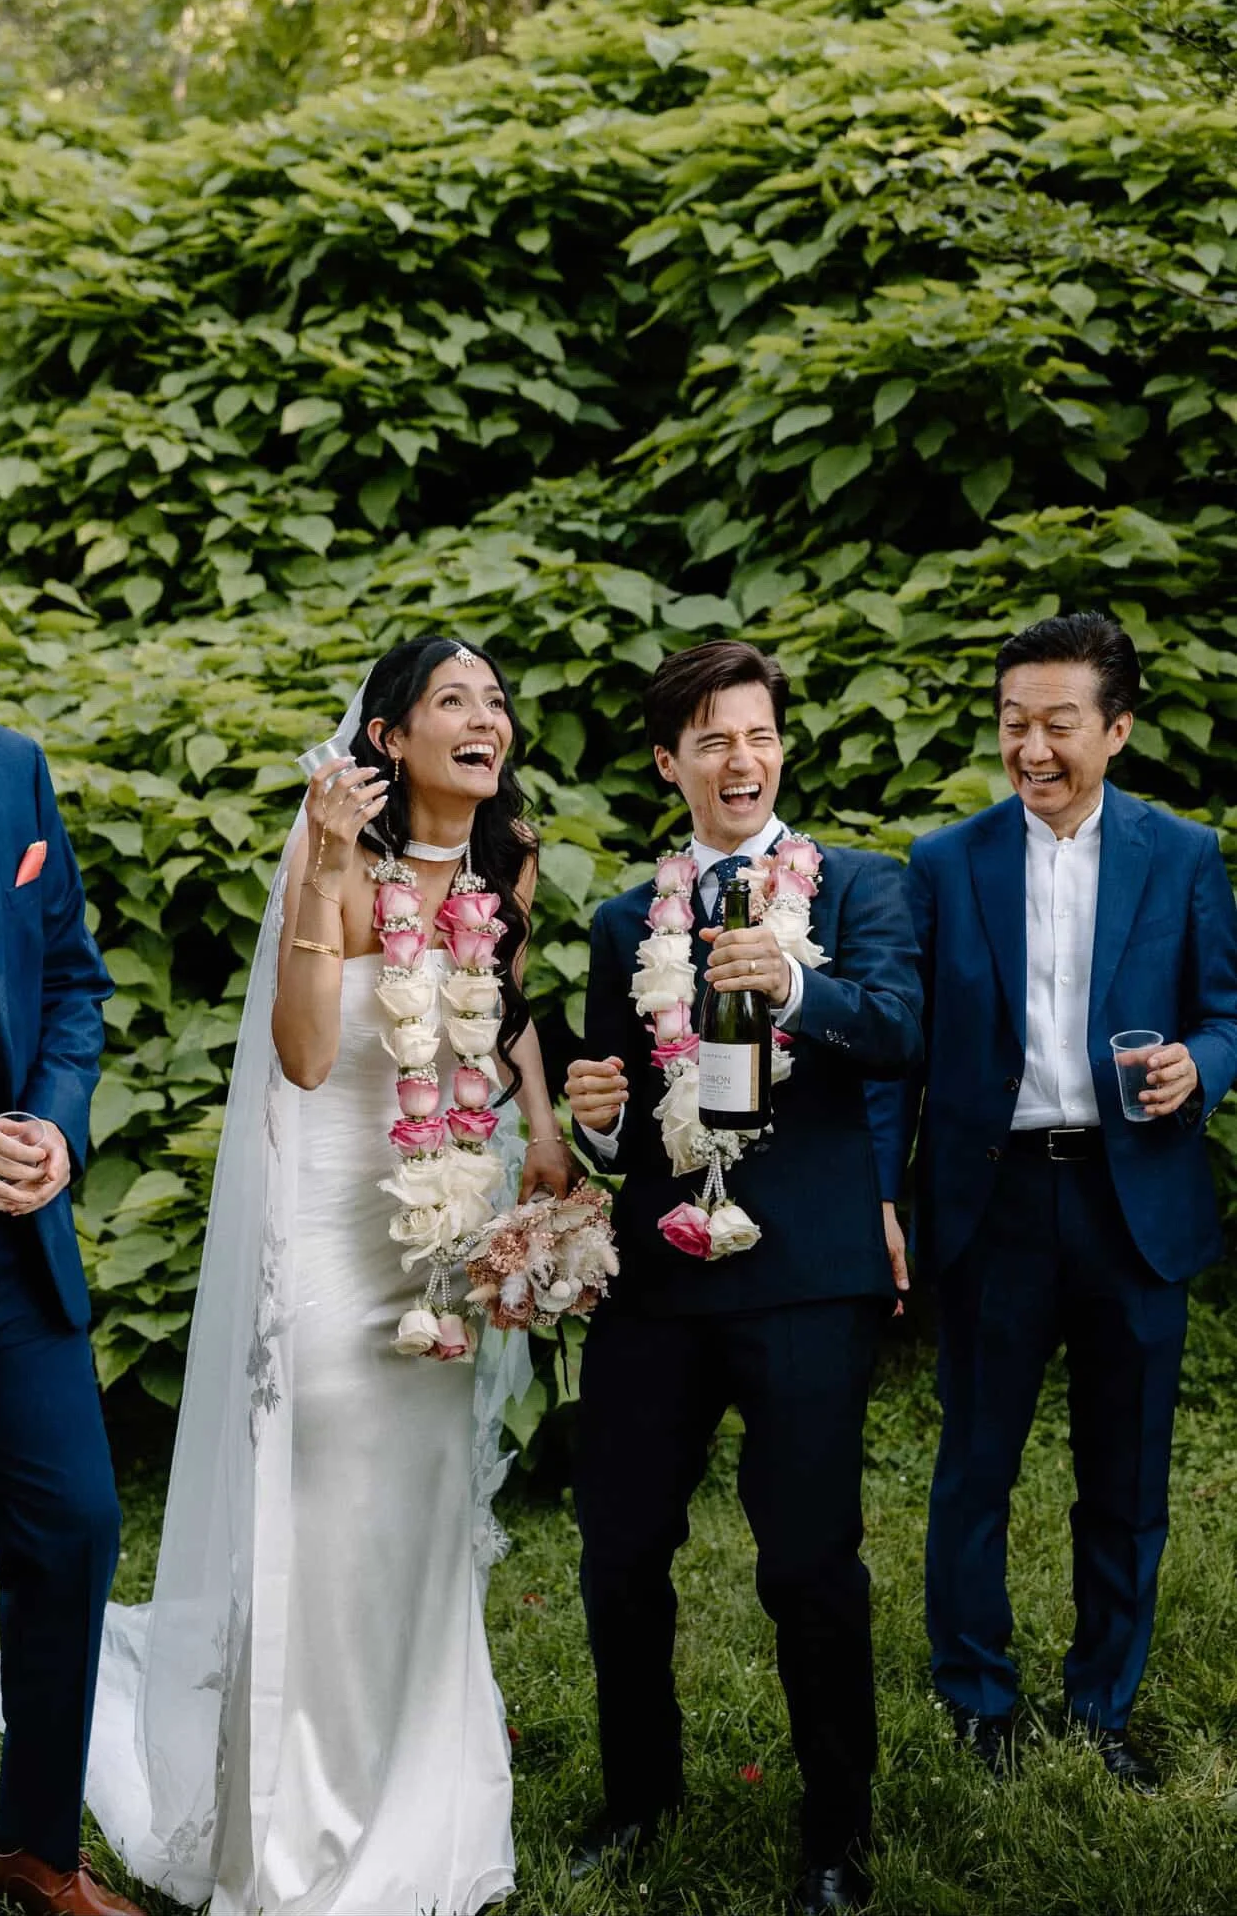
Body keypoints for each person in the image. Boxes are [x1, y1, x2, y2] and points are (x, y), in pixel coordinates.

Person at [0, 635, 575, 1915]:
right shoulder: (332, 856)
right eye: (451, 701)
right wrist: (326, 868)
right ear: (389, 739)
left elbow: (497, 1013)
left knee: (421, 1518)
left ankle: (425, 1799)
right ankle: (302, 1834)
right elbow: (300, 1056)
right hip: (342, 1229)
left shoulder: (508, 866)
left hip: (443, 1235)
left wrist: (542, 1147)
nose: (485, 718)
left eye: (495, 701)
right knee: (336, 1508)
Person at [566, 640, 922, 1915]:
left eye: (759, 734)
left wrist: (801, 983)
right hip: (659, 1283)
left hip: (806, 1276)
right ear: (671, 763)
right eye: (712, 738)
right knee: (620, 1549)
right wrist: (596, 1114)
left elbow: (902, 1032)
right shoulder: (624, 920)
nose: (741, 758)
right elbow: (609, 1112)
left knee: (809, 1562)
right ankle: (638, 1799)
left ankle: (836, 1835)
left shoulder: (863, 887)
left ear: (782, 749)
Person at [868, 612, 1237, 1788]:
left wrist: (1202, 1066)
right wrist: (887, 1194)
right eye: (1013, 721)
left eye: (1058, 724)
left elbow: (1227, 1012)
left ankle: (1103, 1703)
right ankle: (977, 1695)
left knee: (1126, 1479)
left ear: (1116, 729)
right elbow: (901, 1056)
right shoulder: (945, 862)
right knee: (975, 1464)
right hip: (997, 1202)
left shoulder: (1181, 854)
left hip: (1138, 1202)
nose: (1030, 747)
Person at [0, 546, 141, 1916]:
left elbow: (71, 977)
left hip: (10, 1254)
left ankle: (34, 1844)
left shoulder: (6, 765)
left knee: (74, 1525)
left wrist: (59, 1124)